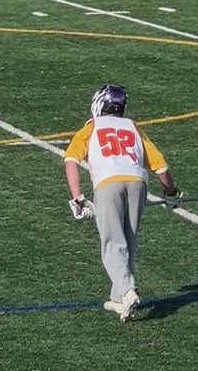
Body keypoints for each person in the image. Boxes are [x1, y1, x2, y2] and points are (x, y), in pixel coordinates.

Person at [63, 84, 181, 321]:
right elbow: (161, 166)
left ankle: (127, 291)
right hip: (138, 182)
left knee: (112, 244)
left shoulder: (92, 126)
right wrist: (171, 192)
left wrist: (77, 197)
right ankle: (118, 298)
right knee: (128, 240)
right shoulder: (132, 126)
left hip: (108, 183)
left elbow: (71, 160)